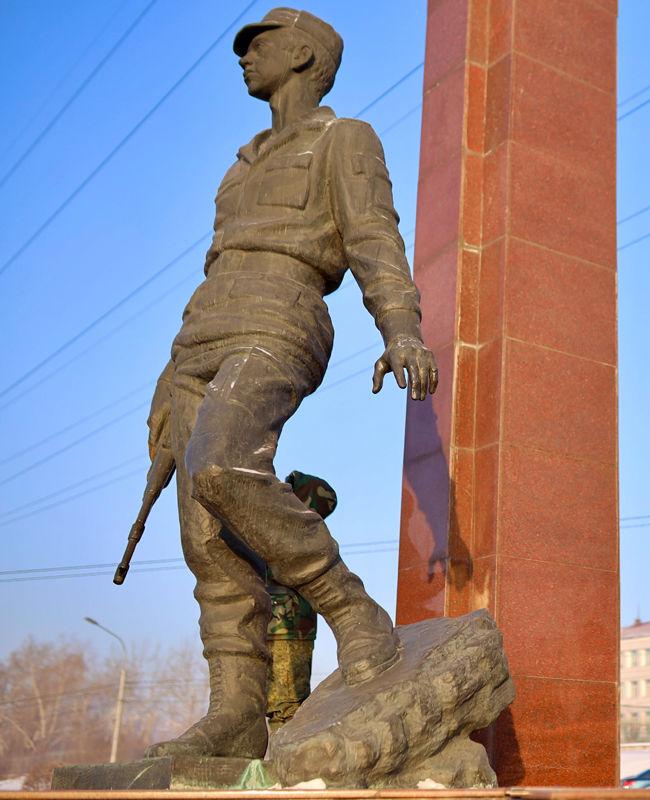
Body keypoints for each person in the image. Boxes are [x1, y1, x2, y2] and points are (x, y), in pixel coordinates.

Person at [143, 8, 437, 760]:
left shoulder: (344, 138)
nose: (244, 56)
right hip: (201, 334)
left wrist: (401, 327)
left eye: (260, 43)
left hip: (283, 313)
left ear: (303, 54)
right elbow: (215, 266)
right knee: (205, 537)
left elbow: (373, 236)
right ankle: (237, 714)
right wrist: (168, 377)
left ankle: (350, 607)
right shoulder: (238, 166)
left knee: (224, 467)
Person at [264, 471, 335, 732]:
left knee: (287, 709)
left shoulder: (307, 536)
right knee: (265, 706)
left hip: (289, 630)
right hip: (264, 624)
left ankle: (287, 757)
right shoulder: (270, 525)